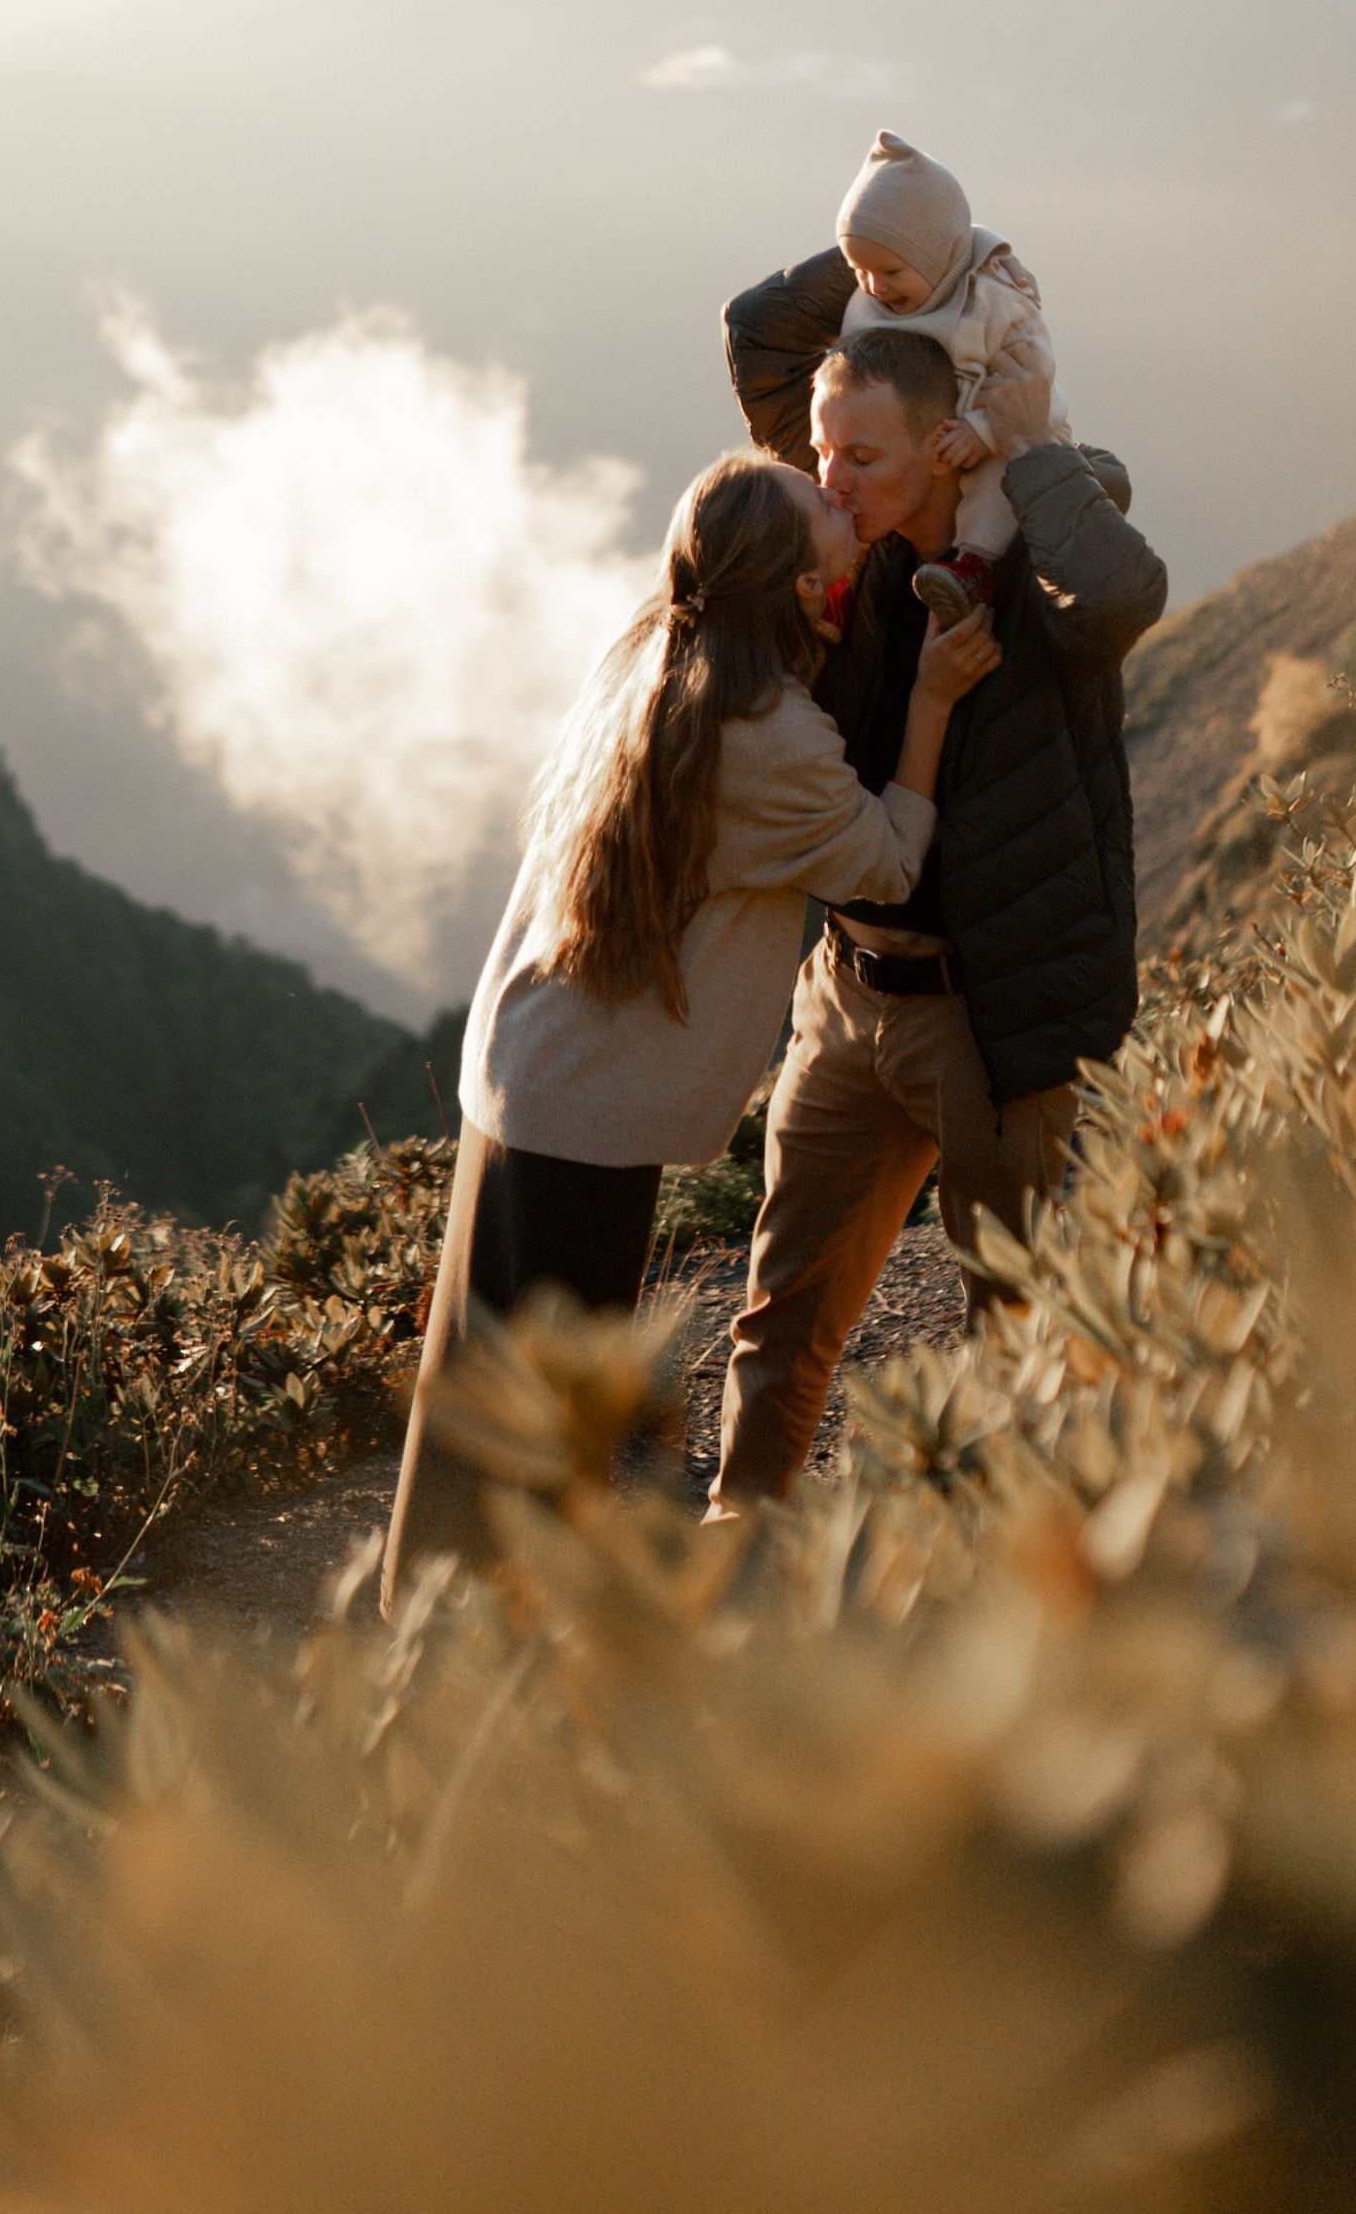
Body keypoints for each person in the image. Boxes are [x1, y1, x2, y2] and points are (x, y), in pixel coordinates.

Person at [381, 446, 1001, 1606]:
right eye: (819, 496)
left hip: (524, 1061)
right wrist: (928, 702)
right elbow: (885, 858)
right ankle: (489, 1658)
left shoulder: (660, 647)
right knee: (548, 1410)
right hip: (587, 1105)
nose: (836, 487)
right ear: (785, 574)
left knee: (475, 1382)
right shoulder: (764, 730)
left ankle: (421, 1635)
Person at [708, 272, 1168, 1509]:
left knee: (1010, 1329)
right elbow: (760, 332)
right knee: (780, 1314)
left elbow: (1125, 593)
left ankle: (998, 1595)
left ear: (944, 446)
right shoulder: (832, 531)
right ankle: (730, 1551)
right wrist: (917, 260)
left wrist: (1021, 444)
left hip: (988, 1016)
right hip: (847, 993)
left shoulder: (1029, 570)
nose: (831, 477)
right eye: (821, 450)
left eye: (861, 454)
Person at [834, 126, 1069, 627]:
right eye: (859, 269)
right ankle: (832, 583)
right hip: (927, 442)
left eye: (892, 270)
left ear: (941, 255)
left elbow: (1036, 383)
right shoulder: (872, 297)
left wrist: (983, 430)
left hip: (1006, 429)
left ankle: (972, 568)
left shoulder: (992, 301)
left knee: (997, 487)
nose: (875, 286)